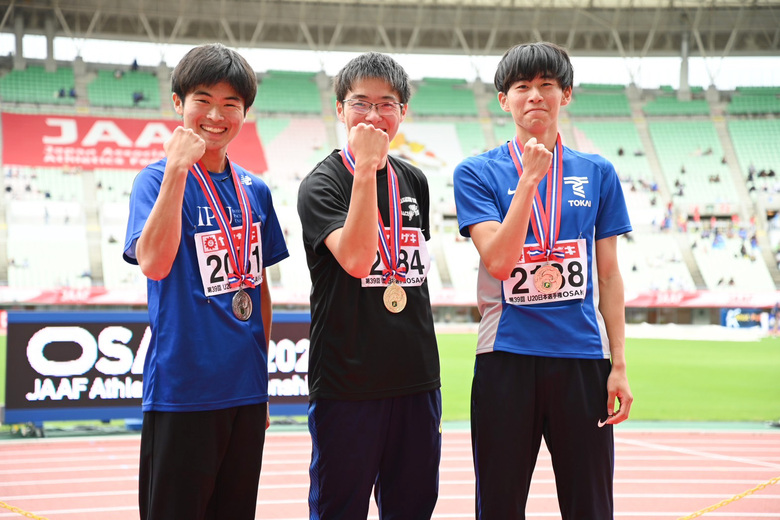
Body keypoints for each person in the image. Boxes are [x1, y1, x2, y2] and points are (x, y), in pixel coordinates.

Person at [453, 41, 634, 519]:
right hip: (506, 358)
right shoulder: (477, 172)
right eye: (522, 87)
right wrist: (530, 180)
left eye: (546, 86)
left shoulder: (598, 172)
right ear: (503, 100)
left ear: (566, 95)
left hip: (582, 360)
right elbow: (497, 260)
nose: (535, 96)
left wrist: (618, 364)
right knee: (499, 503)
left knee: (590, 505)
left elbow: (610, 275)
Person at [123, 43, 289, 520]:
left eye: (231, 103)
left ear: (245, 113)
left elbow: (257, 288)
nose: (216, 115)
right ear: (178, 103)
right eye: (203, 99)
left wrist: (261, 383)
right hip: (183, 391)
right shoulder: (154, 181)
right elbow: (153, 264)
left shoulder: (255, 189)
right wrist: (178, 168)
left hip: (246, 390)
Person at [297, 52, 441, 519]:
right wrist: (365, 170)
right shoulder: (322, 184)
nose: (374, 116)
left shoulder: (413, 179)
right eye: (361, 103)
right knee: (341, 509)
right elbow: (358, 260)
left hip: (416, 379)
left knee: (413, 507)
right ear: (340, 109)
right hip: (348, 382)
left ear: (403, 112)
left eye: (388, 103)